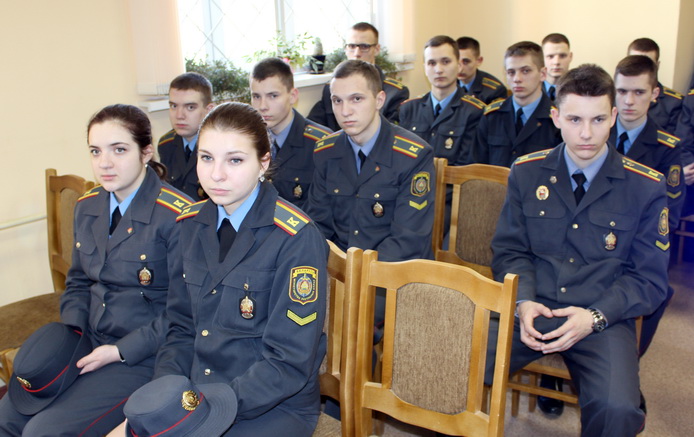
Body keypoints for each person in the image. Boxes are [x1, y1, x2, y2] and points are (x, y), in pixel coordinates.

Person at [486, 64, 669, 437]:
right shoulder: (526, 172)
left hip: (601, 318)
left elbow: (648, 280)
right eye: (574, 119)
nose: (586, 133)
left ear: (613, 117)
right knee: (450, 363)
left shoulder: (645, 187)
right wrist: (523, 302)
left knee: (618, 409)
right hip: (531, 308)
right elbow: (509, 250)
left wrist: (595, 317)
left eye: (598, 119)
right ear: (556, 118)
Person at [0, 104, 191, 436]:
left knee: (43, 432)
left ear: (146, 152)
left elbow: (184, 313)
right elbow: (77, 281)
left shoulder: (177, 216)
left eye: (119, 150)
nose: (105, 162)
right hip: (87, 339)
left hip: (141, 353)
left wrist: (119, 351)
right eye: (95, 151)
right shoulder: (88, 206)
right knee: (7, 418)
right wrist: (72, 338)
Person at [153, 102, 328, 436]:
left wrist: (208, 407)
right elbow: (180, 327)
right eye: (206, 158)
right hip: (197, 390)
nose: (216, 174)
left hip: (271, 404)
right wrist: (165, 395)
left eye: (234, 160)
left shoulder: (295, 238)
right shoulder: (188, 225)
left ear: (263, 162)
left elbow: (287, 361)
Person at [306, 59, 435, 262]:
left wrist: (357, 273)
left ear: (379, 100)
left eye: (356, 99)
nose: (345, 111)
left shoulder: (413, 156)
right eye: (337, 101)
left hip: (394, 271)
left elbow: (408, 241)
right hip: (339, 269)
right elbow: (317, 225)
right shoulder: (326, 151)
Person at [611, 55, 683, 365]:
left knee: (657, 290)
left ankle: (627, 363)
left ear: (654, 93)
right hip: (590, 238)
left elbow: (670, 214)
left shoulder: (667, 148)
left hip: (636, 244)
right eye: (622, 91)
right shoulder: (595, 135)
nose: (629, 101)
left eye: (638, 92)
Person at [250, 58, 332, 208]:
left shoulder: (321, 144)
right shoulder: (248, 141)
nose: (262, 106)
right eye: (256, 97)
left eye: (273, 96)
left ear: (293, 96)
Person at [473, 41, 562, 167]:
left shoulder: (556, 120)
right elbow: (477, 167)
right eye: (511, 72)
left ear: (542, 74)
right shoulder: (491, 116)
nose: (517, 79)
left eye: (525, 71)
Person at [400, 35, 484, 166]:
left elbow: (466, 168)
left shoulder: (474, 112)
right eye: (432, 63)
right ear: (425, 68)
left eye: (446, 62)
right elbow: (401, 160)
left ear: (459, 66)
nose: (438, 70)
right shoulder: (409, 109)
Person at [307, 22, 409, 130]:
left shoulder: (394, 92)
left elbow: (391, 133)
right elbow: (312, 128)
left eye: (364, 47)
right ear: (345, 49)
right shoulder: (331, 88)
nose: (356, 53)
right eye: (351, 46)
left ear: (376, 49)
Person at [158, 72, 215, 201]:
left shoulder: (218, 147)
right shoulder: (166, 144)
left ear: (209, 110)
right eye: (174, 106)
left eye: (190, 107)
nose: (179, 115)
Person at [628, 38, 683, 133]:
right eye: (634, 63)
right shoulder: (612, 95)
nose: (639, 69)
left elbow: (674, 141)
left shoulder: (674, 103)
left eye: (647, 64)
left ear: (657, 65)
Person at [455, 36, 507, 104]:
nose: (460, 69)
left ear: (479, 61)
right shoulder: (447, 84)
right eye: (456, 61)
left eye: (466, 62)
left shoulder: (495, 91)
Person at [541, 33, 573, 102]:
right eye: (550, 56)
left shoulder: (581, 90)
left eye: (562, 56)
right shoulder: (531, 89)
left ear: (570, 57)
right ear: (541, 58)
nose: (556, 62)